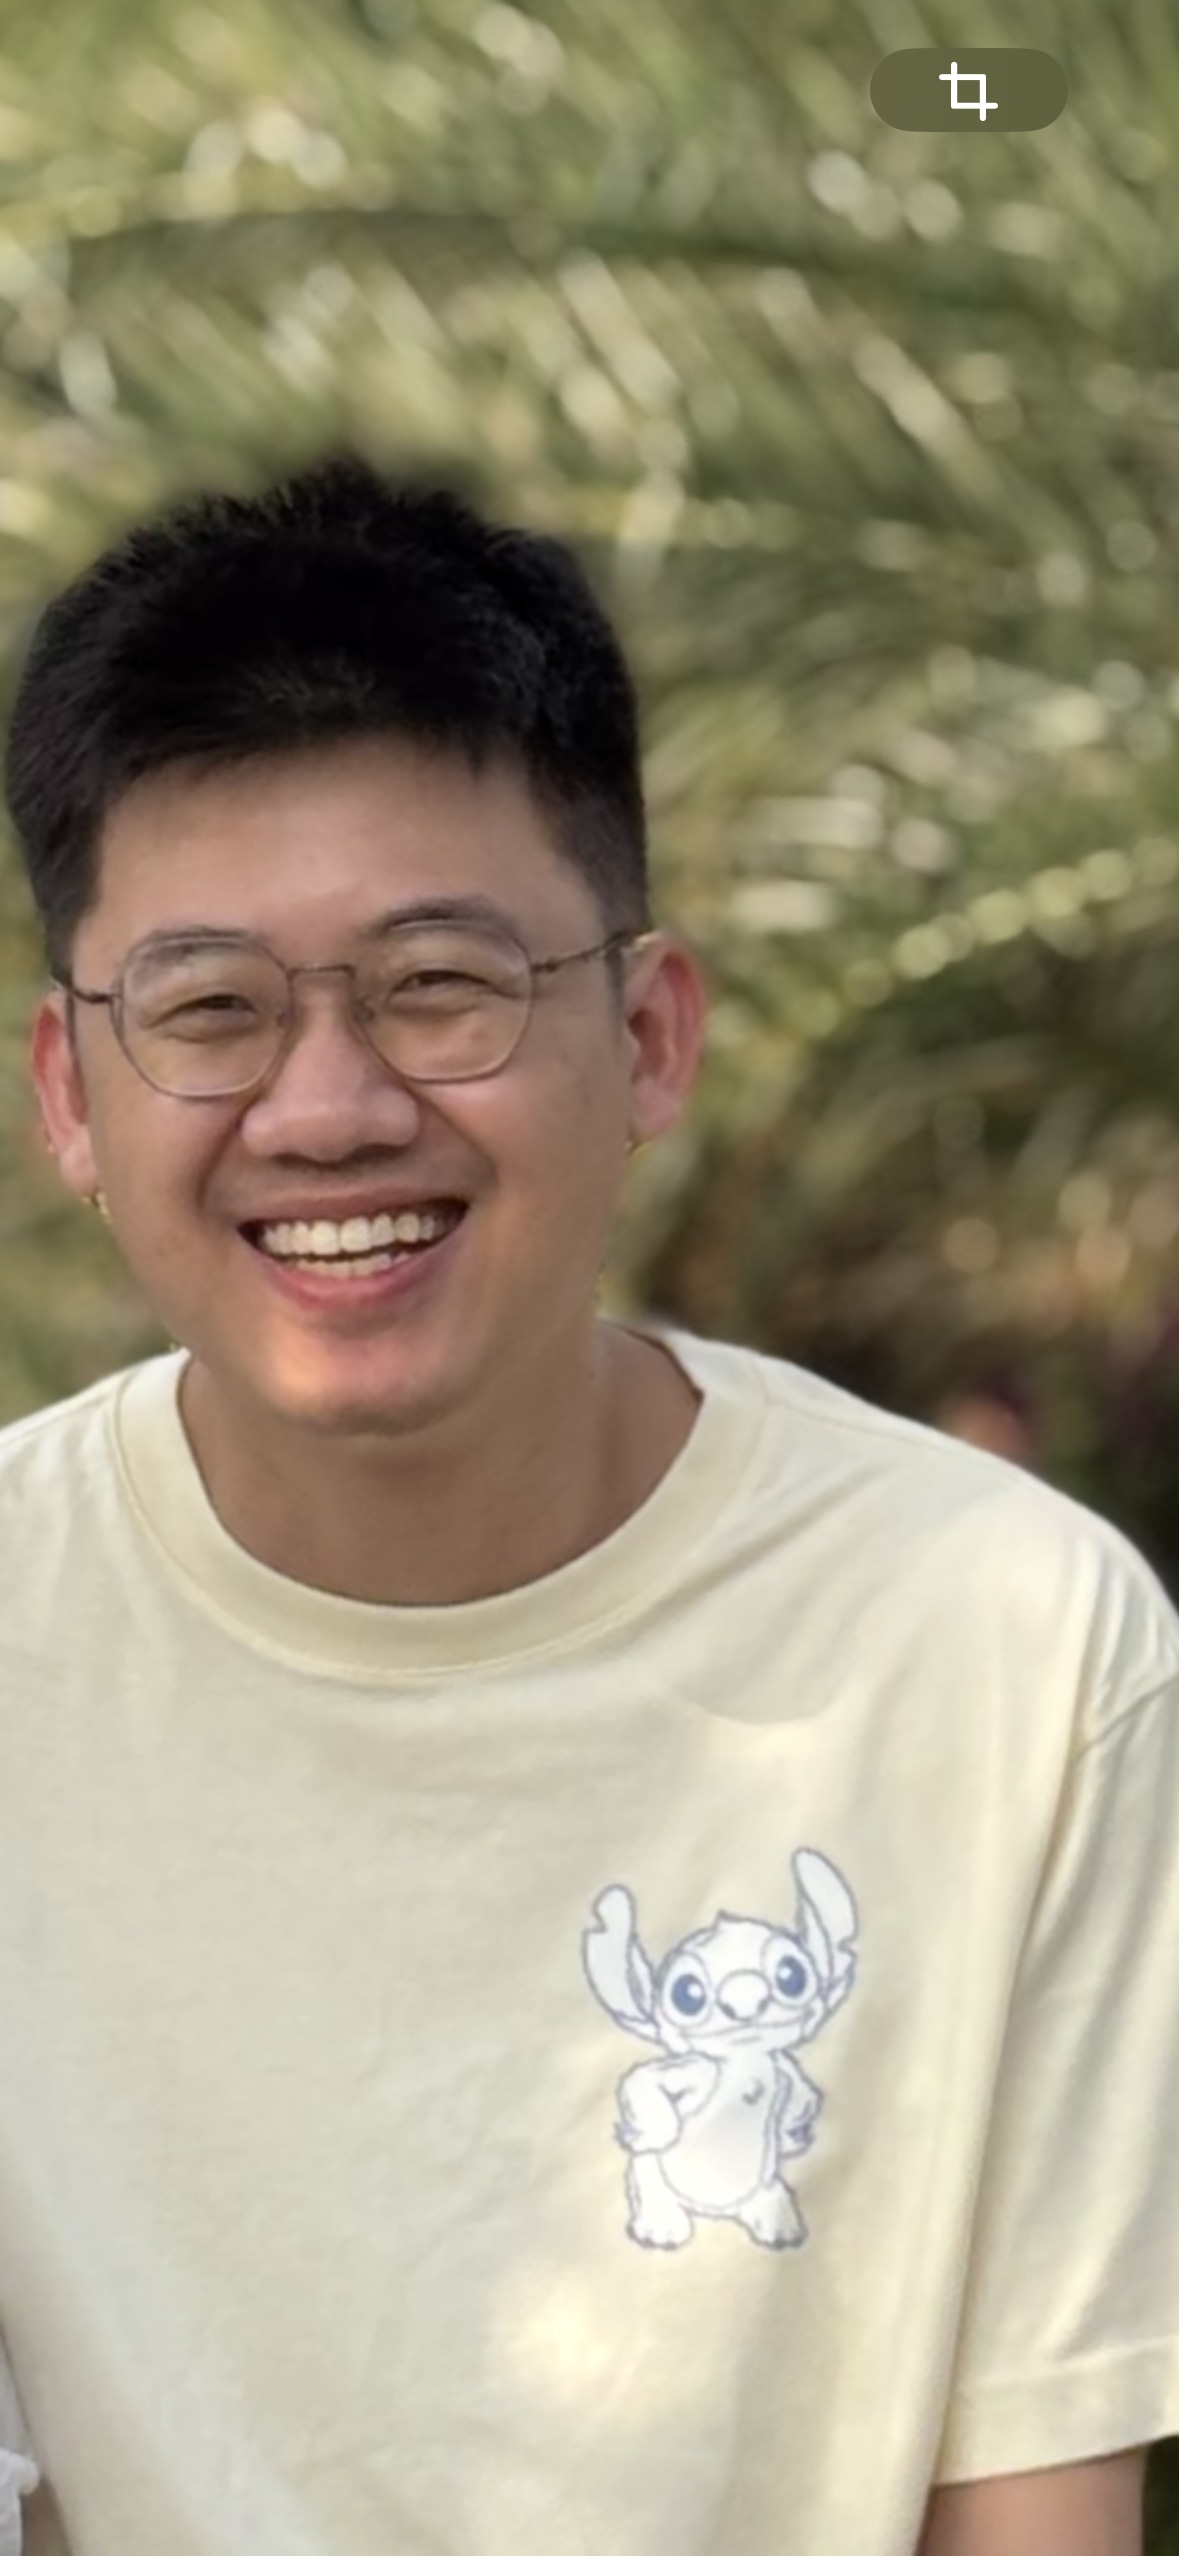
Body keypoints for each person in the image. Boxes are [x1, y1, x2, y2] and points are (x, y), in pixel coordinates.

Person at [0, 452, 1174, 2556]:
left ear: (646, 1036)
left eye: (437, 984)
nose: (327, 1108)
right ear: (72, 1096)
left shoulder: (1009, 1649)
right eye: (208, 1011)